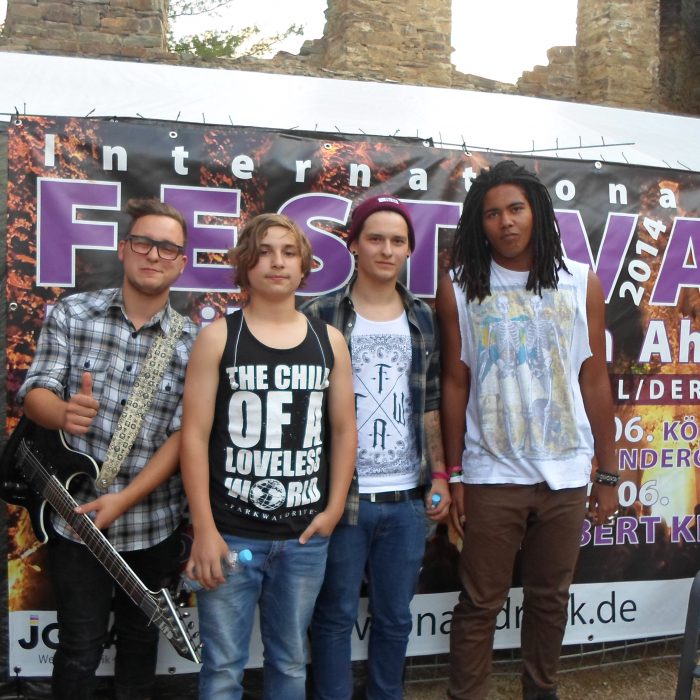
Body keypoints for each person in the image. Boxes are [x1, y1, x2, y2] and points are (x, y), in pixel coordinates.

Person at [436, 160, 618, 700]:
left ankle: (541, 691)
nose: (506, 222)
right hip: (492, 472)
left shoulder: (580, 282)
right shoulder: (460, 287)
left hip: (565, 473)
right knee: (479, 603)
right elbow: (455, 383)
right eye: (492, 213)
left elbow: (594, 378)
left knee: (550, 599)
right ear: (480, 223)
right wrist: (455, 473)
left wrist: (608, 473)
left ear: (536, 211)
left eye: (515, 208)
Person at [18, 198, 196, 700]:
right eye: (143, 242)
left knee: (141, 647)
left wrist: (125, 499)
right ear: (123, 249)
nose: (154, 255)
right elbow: (35, 392)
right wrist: (61, 413)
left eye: (168, 248)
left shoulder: (193, 343)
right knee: (79, 647)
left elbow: (184, 437)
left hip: (152, 524)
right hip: (75, 520)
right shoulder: (73, 313)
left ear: (181, 263)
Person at [180, 212, 356, 700]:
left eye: (288, 252)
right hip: (230, 535)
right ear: (244, 265)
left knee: (290, 662)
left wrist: (333, 509)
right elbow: (193, 437)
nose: (276, 262)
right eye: (263, 252)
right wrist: (204, 529)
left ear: (304, 265)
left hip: (303, 537)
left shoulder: (329, 341)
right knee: (222, 670)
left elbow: (344, 430)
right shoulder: (219, 337)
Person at [303, 194, 451, 700]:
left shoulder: (423, 318)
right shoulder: (319, 313)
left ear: (409, 249)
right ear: (354, 244)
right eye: (375, 239)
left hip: (407, 501)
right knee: (334, 616)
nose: (386, 250)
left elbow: (431, 402)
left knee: (394, 618)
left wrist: (439, 475)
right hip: (341, 500)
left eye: (397, 241)